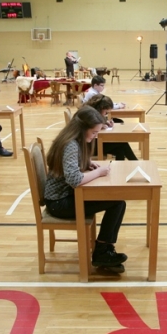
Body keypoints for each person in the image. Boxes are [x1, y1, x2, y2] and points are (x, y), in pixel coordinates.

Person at [44, 106, 128, 272]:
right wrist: (98, 172)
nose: (96, 136)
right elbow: (75, 180)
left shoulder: (71, 139)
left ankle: (104, 249)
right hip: (59, 203)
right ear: (82, 129)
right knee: (117, 202)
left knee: (118, 202)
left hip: (62, 197)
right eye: (94, 132)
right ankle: (102, 252)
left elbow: (69, 165)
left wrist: (87, 163)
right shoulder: (71, 145)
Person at [84, 94, 138, 161]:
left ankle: (122, 166)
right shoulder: (89, 114)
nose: (106, 114)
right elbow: (90, 129)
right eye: (106, 112)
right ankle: (136, 162)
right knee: (122, 142)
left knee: (120, 149)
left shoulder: (92, 111)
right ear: (101, 108)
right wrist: (100, 126)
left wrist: (105, 122)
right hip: (89, 146)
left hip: (94, 143)